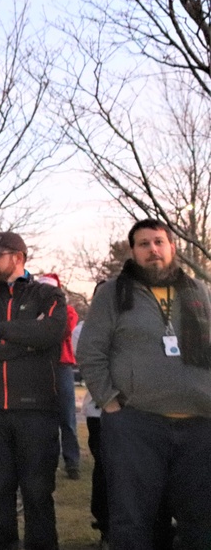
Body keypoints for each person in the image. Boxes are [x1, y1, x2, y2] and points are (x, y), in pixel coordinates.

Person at [78, 218, 211, 550]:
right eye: (144, 244)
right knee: (133, 520)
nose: (153, 249)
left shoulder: (198, 291)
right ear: (133, 251)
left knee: (201, 520)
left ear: (172, 247)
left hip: (199, 425)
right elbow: (91, 351)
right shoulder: (114, 292)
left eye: (159, 242)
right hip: (136, 424)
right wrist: (110, 402)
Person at [0, 232, 66, 550]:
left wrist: (0, 330)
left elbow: (51, 332)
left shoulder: (47, 295)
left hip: (37, 412)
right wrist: (27, 342)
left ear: (18, 257)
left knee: (37, 494)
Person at [37, 273, 81, 481]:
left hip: (62, 366)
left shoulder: (68, 312)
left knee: (67, 416)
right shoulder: (32, 313)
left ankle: (72, 462)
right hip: (40, 367)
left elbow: (60, 331)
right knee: (44, 417)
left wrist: (40, 327)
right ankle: (48, 461)